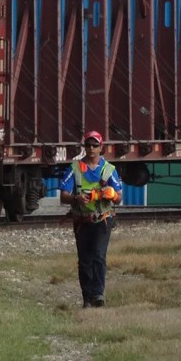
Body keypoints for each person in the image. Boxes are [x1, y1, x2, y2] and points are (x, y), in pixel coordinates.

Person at [59, 130, 123, 308]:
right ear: (84, 147)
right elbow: (63, 195)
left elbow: (119, 197)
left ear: (101, 148)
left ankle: (98, 295)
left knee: (98, 256)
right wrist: (76, 199)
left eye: (95, 145)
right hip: (82, 221)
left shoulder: (109, 170)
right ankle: (87, 298)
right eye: (88, 145)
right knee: (85, 260)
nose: (91, 148)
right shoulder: (75, 169)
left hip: (103, 219)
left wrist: (111, 195)